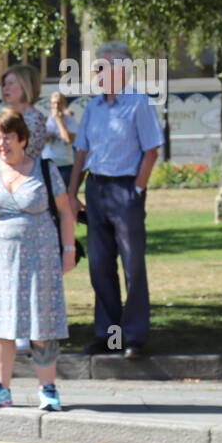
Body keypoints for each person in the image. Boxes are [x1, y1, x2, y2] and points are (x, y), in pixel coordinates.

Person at [0, 110, 76, 411]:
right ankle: (1, 388)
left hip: (41, 258)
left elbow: (65, 211)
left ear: (22, 139)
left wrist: (69, 250)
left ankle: (47, 388)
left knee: (42, 323)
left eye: (7, 138)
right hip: (0, 259)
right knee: (1, 324)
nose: (1, 144)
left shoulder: (44, 168)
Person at [67, 41, 163, 358]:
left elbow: (151, 151)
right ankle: (110, 338)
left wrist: (137, 189)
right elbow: (82, 152)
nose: (94, 73)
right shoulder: (93, 107)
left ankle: (133, 336)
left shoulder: (138, 104)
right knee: (99, 267)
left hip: (125, 190)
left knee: (133, 264)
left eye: (100, 67)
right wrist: (72, 192)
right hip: (96, 189)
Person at [0, 63, 48, 166]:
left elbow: (18, 156)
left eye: (10, 83)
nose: (5, 88)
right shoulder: (5, 116)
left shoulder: (34, 119)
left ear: (26, 86)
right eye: (4, 84)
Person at [43, 90, 77, 188]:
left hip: (65, 164)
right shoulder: (46, 120)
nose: (56, 105)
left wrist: (59, 120)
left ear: (64, 104)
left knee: (64, 198)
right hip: (48, 163)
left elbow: (68, 139)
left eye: (59, 102)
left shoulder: (70, 119)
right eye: (54, 103)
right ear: (50, 104)